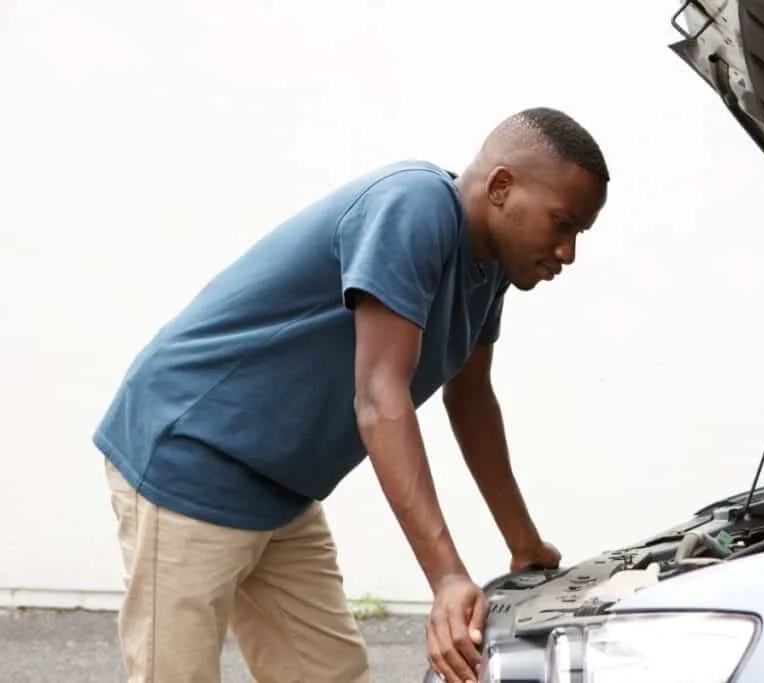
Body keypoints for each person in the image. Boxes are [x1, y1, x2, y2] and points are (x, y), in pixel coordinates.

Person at [93, 106, 609, 683]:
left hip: (281, 490)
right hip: (190, 461)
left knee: (330, 674)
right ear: (501, 187)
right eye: (561, 224)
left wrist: (523, 543)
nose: (567, 252)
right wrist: (445, 577)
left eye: (579, 233)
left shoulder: (488, 269)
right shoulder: (413, 207)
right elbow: (379, 396)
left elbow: (470, 400)